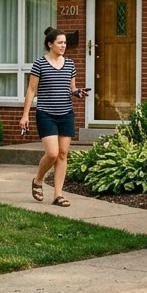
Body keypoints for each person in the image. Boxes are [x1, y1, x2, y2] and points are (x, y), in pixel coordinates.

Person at [19, 26, 88, 206]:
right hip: (46, 114)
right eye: (60, 42)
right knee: (52, 153)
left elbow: (71, 88)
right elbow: (31, 90)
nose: (63, 45)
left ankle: (58, 195)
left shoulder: (70, 64)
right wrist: (25, 115)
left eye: (65, 42)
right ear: (50, 44)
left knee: (63, 154)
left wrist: (77, 92)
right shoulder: (39, 64)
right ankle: (38, 180)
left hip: (66, 113)